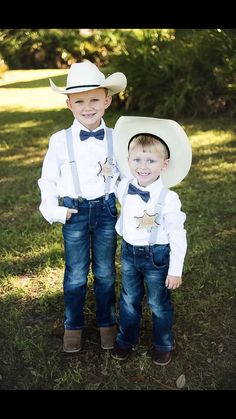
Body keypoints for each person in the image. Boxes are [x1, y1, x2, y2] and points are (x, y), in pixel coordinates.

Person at [38, 60, 127, 353]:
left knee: (105, 272)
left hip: (105, 212)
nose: (87, 107)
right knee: (75, 273)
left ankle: (107, 324)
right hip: (73, 212)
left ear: (107, 101)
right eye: (80, 101)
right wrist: (55, 210)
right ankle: (72, 326)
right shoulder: (59, 140)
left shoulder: (117, 138)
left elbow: (125, 178)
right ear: (69, 104)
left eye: (94, 99)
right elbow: (48, 180)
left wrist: (129, 206)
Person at [111, 116, 192, 365]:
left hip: (156, 256)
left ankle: (163, 343)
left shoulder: (169, 198)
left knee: (158, 302)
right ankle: (126, 339)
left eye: (151, 160)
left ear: (164, 165)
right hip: (128, 252)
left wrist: (175, 270)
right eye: (136, 159)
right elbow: (107, 176)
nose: (142, 166)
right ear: (128, 161)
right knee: (128, 298)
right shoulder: (124, 187)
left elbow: (178, 234)